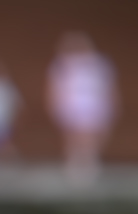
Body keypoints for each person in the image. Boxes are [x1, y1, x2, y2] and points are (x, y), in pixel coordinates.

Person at [46, 33, 116, 181]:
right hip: (72, 106)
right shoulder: (62, 65)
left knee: (90, 137)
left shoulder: (99, 64)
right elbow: (55, 87)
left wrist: (111, 104)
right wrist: (55, 104)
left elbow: (107, 86)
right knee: (75, 137)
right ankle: (75, 167)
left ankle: (89, 165)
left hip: (93, 105)